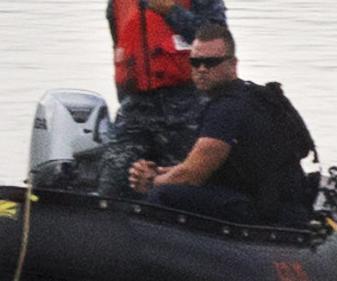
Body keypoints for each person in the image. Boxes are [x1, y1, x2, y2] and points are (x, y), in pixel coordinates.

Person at [128, 29, 318, 226]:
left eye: (211, 63)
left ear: (232, 64)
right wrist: (159, 172)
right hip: (279, 201)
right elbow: (206, 168)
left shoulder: (226, 108)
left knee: (162, 195)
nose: (202, 69)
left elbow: (192, 176)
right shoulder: (250, 95)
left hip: (267, 209)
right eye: (195, 62)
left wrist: (151, 183)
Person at [103, 0, 225, 170]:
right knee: (111, 183)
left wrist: (173, 11)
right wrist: (125, 101)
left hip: (187, 108)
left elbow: (219, 42)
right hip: (136, 111)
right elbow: (119, 52)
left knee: (181, 190)